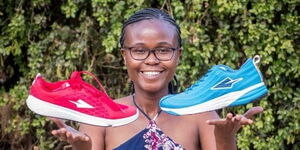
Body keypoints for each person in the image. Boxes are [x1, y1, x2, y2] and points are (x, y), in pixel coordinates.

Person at [50, 8, 264, 150]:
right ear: (124, 55)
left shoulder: (201, 115)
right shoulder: (102, 116)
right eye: (139, 50)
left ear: (178, 55)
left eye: (163, 50)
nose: (151, 60)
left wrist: (226, 138)